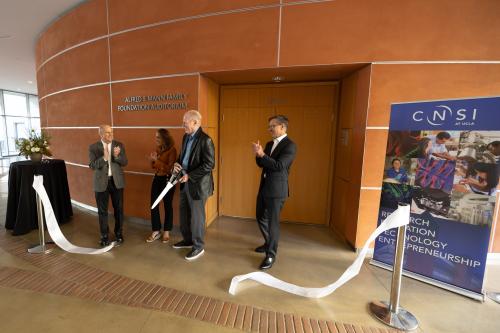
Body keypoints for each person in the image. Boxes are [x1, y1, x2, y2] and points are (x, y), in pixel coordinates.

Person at [252, 115, 297, 270]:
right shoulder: (269, 143)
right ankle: (268, 242)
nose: (269, 129)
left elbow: (279, 166)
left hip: (277, 191)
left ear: (283, 127)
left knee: (273, 223)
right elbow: (261, 164)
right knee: (260, 216)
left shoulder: (290, 146)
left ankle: (271, 255)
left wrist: (263, 155)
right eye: (269, 126)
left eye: (273, 126)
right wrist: (258, 154)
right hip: (264, 187)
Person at [172, 110, 215, 261]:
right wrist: (177, 164)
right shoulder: (185, 137)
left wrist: (189, 175)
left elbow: (209, 165)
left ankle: (198, 247)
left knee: (197, 218)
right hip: (184, 184)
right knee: (184, 214)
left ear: (195, 122)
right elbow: (183, 156)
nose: (182, 125)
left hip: (197, 186)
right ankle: (188, 240)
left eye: (185, 123)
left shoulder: (206, 140)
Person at [89, 125, 128, 246]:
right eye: (107, 133)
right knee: (102, 211)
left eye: (111, 132)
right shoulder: (93, 147)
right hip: (101, 183)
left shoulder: (119, 145)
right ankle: (104, 236)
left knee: (119, 210)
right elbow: (92, 165)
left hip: (117, 182)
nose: (110, 134)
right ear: (100, 134)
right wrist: (104, 158)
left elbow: (125, 162)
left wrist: (117, 156)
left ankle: (118, 234)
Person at [147, 129, 177, 243]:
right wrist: (152, 160)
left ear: (165, 138)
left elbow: (170, 169)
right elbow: (154, 166)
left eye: (158, 137)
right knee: (153, 204)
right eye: (156, 137)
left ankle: (167, 231)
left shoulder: (172, 150)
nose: (156, 140)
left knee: (167, 205)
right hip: (157, 178)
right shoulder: (158, 149)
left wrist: (157, 161)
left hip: (167, 180)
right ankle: (156, 231)